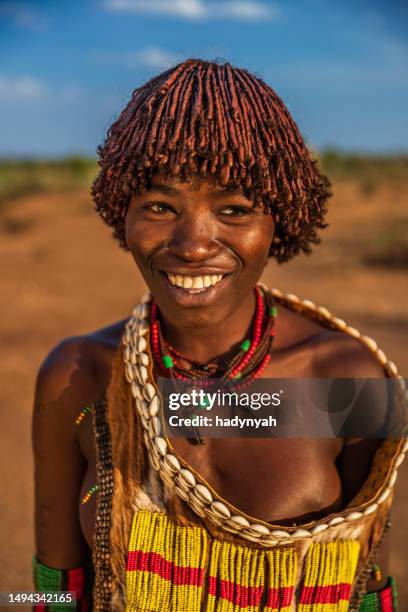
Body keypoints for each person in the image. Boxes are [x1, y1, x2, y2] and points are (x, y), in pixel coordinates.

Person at [32, 59, 406, 611]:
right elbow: (52, 589)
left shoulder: (350, 378)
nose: (193, 244)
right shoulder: (79, 376)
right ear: (123, 213)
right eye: (160, 207)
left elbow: (371, 589)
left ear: (280, 219)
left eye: (234, 210)